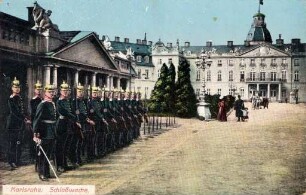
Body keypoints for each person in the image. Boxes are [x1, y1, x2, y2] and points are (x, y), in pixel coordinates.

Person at [32, 84, 56, 181]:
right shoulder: (42, 104)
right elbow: (37, 120)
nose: (52, 93)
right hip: (44, 131)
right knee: (43, 154)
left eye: (52, 92)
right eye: (49, 92)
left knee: (48, 153)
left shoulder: (52, 103)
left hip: (51, 131)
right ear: (45, 93)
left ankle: (46, 172)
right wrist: (36, 133)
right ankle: (42, 173)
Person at [6, 77, 31, 169]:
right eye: (15, 87)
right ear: (12, 88)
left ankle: (17, 160)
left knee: (19, 142)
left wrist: (27, 117)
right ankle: (11, 161)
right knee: (12, 143)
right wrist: (24, 119)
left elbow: (23, 110)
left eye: (18, 87)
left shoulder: (20, 98)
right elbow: (14, 112)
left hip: (20, 125)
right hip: (12, 125)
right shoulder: (10, 99)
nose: (17, 89)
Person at [55, 81, 81, 172]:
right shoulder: (59, 102)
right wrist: (74, 117)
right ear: (60, 91)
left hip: (68, 125)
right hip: (61, 125)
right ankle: (59, 165)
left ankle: (65, 164)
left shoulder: (68, 101)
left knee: (66, 146)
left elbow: (72, 111)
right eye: (63, 90)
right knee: (60, 147)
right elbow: (63, 112)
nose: (65, 92)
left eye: (67, 90)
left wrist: (75, 118)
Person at [30, 81, 43, 164]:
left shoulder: (42, 100)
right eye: (37, 89)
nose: (38, 91)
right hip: (36, 121)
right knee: (36, 140)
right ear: (34, 90)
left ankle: (40, 156)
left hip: (42, 122)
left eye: (40, 89)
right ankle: (35, 157)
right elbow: (34, 113)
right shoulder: (33, 100)